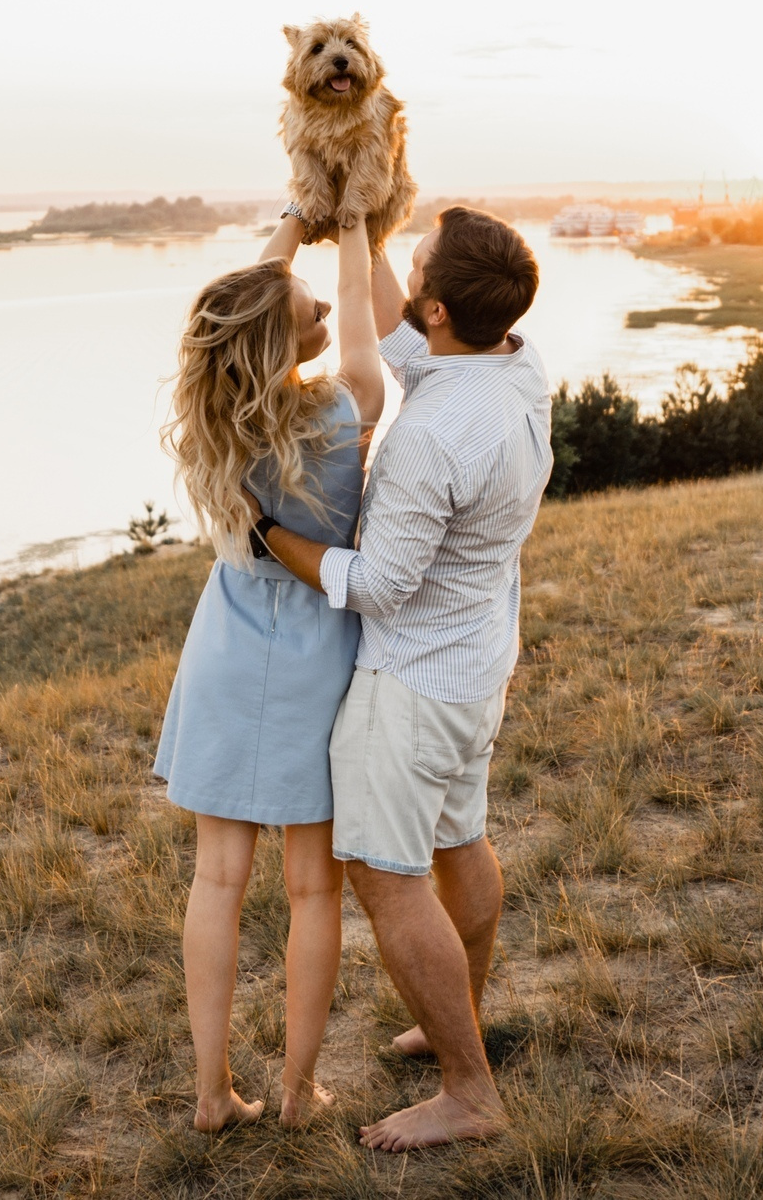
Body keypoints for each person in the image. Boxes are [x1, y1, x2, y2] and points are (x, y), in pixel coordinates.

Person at [251, 206, 550, 1153]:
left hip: (412, 683)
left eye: (413, 271)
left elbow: (375, 584)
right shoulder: (513, 364)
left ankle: (468, 1089)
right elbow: (395, 334)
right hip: (475, 669)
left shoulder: (428, 439)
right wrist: (366, 233)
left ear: (438, 309)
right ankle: (452, 1014)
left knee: (387, 874)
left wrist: (273, 537)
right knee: (462, 837)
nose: (402, 279)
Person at [153, 207, 387, 1132]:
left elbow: (251, 310)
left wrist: (292, 225)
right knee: (311, 888)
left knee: (216, 879)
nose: (325, 302)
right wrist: (357, 225)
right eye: (306, 307)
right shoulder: (340, 410)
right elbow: (364, 313)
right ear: (279, 339)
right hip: (310, 658)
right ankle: (295, 1091)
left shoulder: (217, 420)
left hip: (225, 645)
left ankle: (211, 1095)